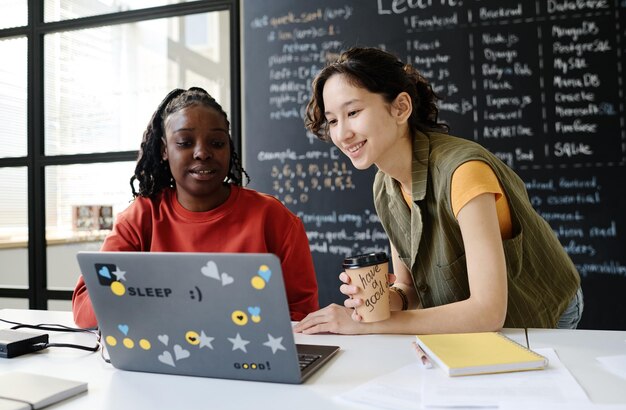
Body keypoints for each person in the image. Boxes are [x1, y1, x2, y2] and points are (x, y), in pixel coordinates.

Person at [294, 47, 583, 335]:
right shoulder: (384, 186)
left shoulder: (463, 172)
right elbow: (409, 290)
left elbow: (489, 312)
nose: (342, 134)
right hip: (479, 324)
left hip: (539, 313)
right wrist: (376, 302)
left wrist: (374, 327)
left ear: (400, 108)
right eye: (333, 120)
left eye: (353, 112)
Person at [72, 87, 319, 327]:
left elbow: (303, 317)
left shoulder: (274, 219)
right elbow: (84, 311)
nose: (202, 152)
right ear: (164, 150)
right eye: (184, 142)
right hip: (157, 366)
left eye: (217, 143)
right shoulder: (139, 218)